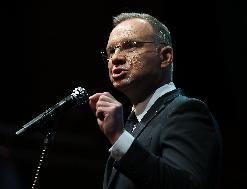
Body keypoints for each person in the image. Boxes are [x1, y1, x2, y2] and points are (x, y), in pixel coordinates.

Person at [89, 12, 222, 189]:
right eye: (111, 51)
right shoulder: (129, 125)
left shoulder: (186, 112)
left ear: (165, 57)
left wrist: (118, 137)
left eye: (130, 46)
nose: (116, 58)